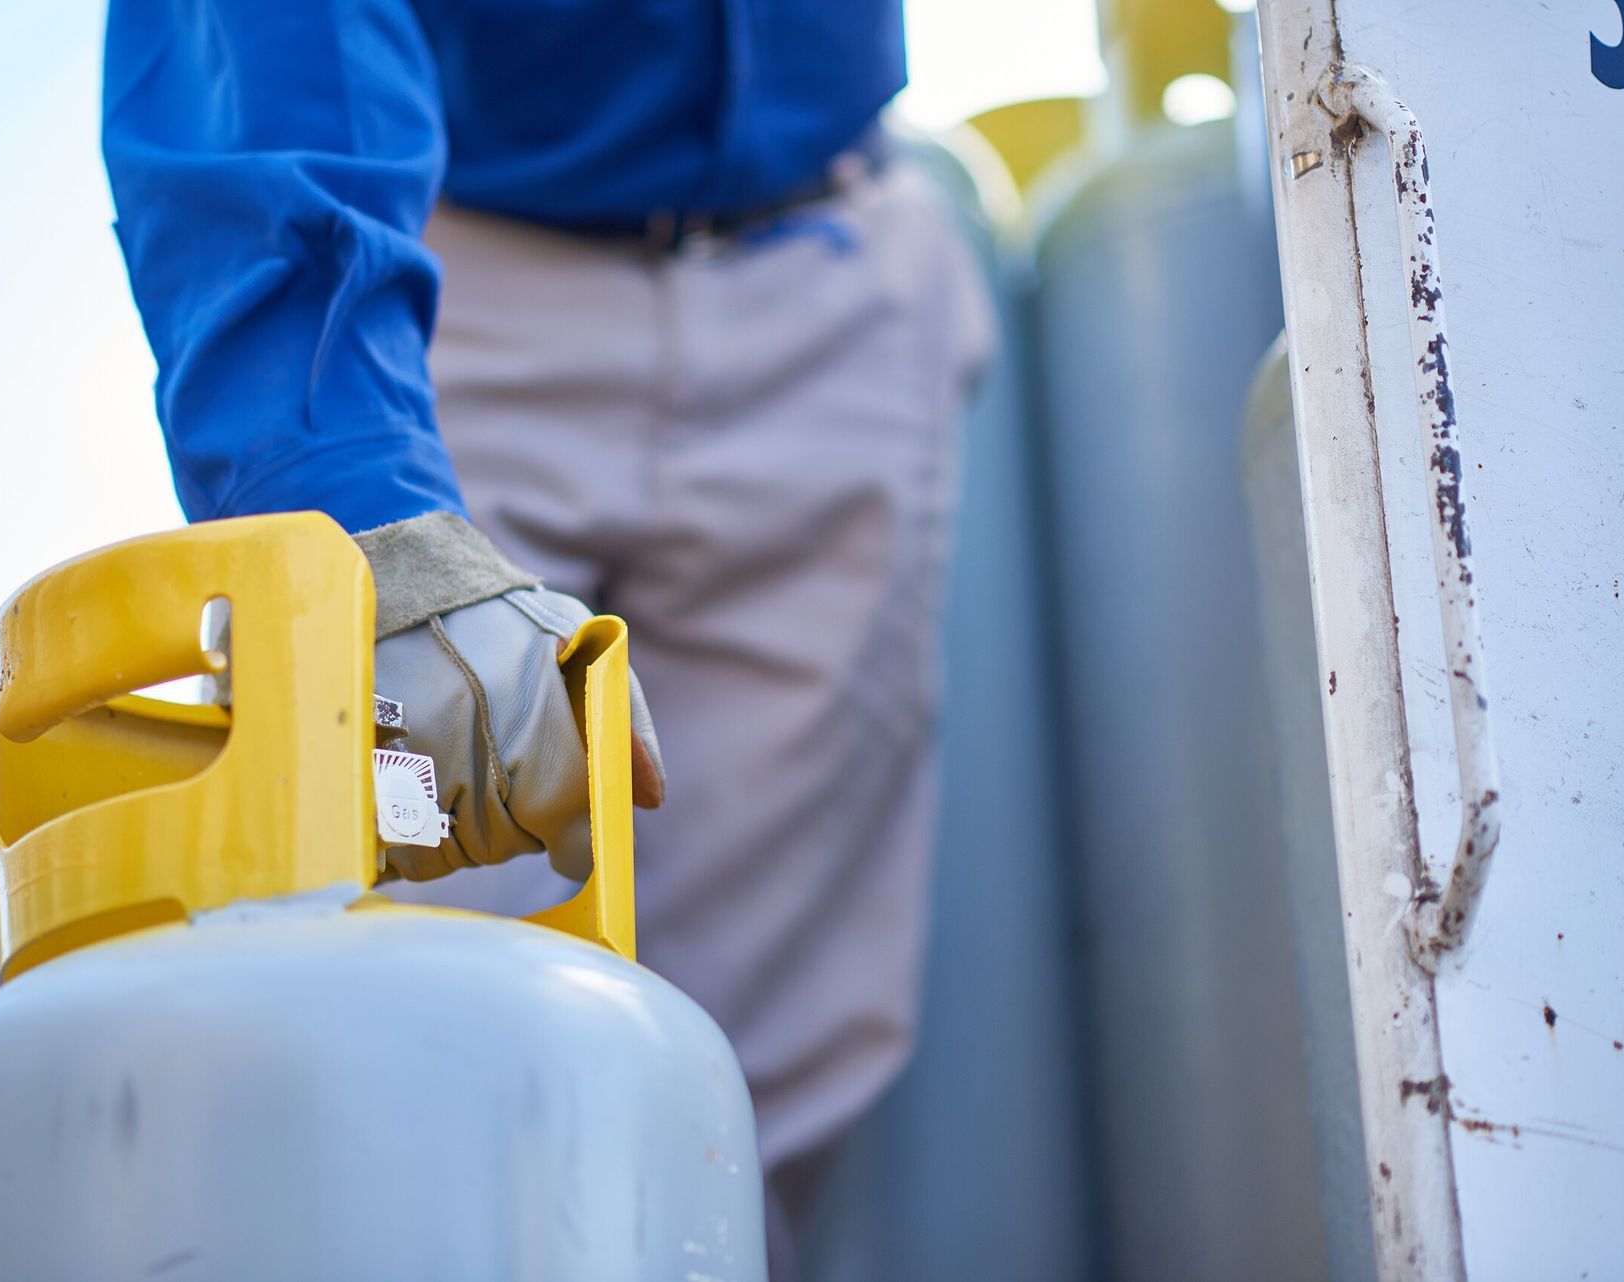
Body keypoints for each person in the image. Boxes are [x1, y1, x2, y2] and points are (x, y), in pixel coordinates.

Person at [102, 3, 991, 1274]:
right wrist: (358, 498)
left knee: (742, 1132)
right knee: (401, 1074)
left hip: (836, 264)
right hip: (447, 293)